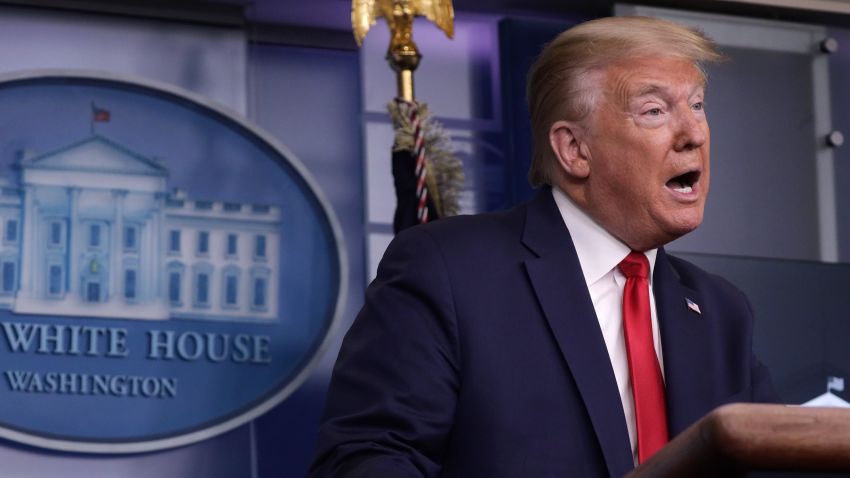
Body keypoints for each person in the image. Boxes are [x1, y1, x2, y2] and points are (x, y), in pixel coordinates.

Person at [309, 15, 777, 478]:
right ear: (574, 149)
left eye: (696, 105)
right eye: (654, 111)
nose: (693, 133)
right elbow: (367, 456)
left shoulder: (720, 312)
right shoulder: (451, 271)